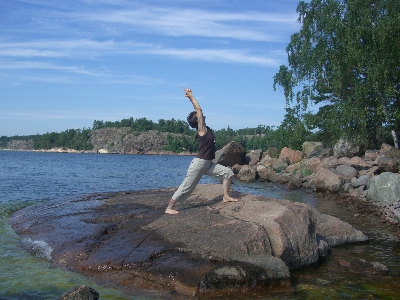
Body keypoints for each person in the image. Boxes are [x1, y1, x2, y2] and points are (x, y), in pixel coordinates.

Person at [165, 88, 238, 215]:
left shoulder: (206, 128)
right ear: (198, 121)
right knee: (187, 187)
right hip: (199, 164)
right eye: (199, 117)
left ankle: (226, 196)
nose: (202, 116)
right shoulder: (201, 130)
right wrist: (190, 96)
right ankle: (169, 207)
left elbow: (200, 113)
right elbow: (199, 110)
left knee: (228, 173)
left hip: (208, 163)